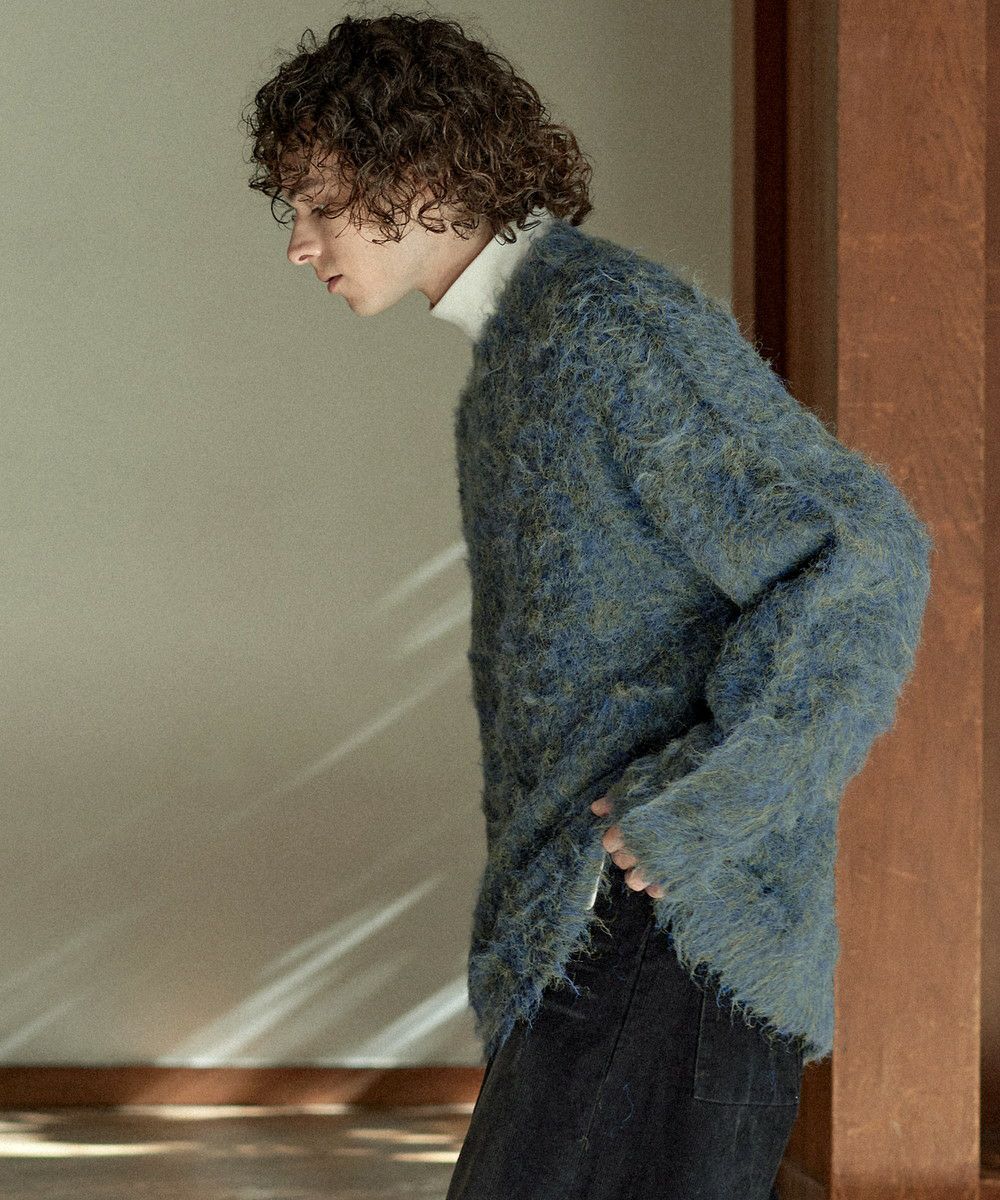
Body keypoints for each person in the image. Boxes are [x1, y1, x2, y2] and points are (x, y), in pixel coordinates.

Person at [242, 9, 933, 1199]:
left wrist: (706, 805)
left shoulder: (605, 325)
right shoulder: (524, 350)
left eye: (317, 203)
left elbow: (863, 556)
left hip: (675, 929)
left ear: (419, 174)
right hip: (596, 926)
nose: (299, 246)